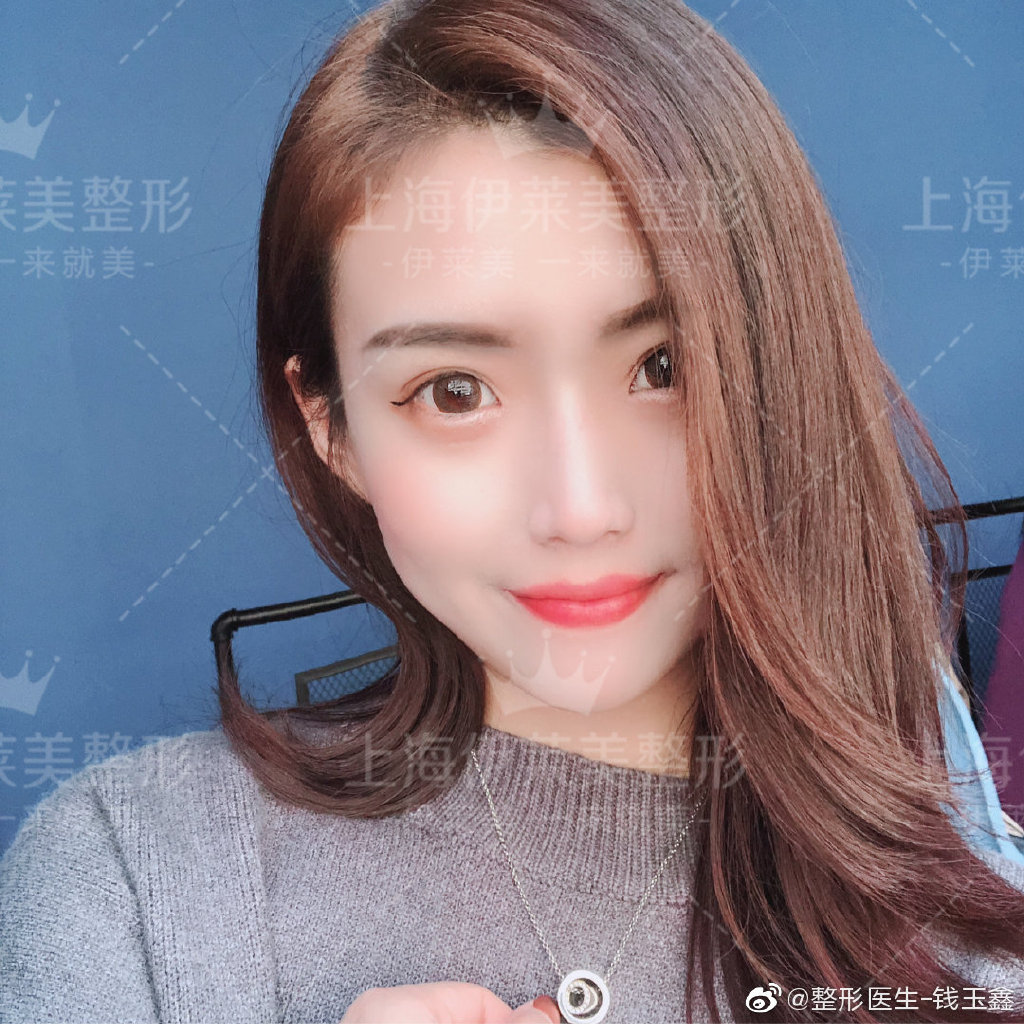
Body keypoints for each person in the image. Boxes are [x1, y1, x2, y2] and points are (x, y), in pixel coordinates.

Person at [3, 1, 1024, 1022]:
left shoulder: (965, 956)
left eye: (664, 367)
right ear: (332, 428)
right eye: (454, 392)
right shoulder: (136, 888)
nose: (580, 509)